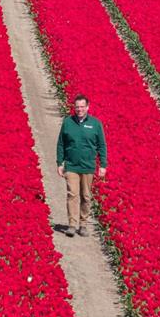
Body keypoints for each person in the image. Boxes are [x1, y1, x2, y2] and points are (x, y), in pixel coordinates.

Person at [56, 94, 107, 237]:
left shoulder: (95, 124)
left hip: (88, 166)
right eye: (77, 107)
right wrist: (60, 163)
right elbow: (61, 144)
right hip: (71, 165)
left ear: (87, 107)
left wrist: (103, 165)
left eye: (82, 107)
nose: (79, 109)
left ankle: (83, 224)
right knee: (72, 194)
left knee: (86, 196)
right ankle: (72, 225)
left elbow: (102, 145)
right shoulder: (68, 122)